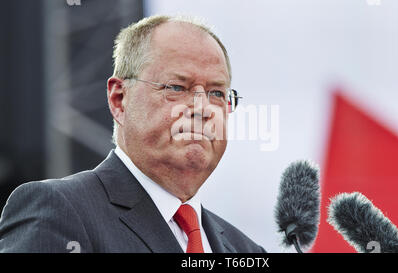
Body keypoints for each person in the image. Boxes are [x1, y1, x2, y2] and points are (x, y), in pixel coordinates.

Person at [0, 15, 266, 253]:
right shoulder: (59, 212)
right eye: (176, 87)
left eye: (217, 93)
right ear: (119, 99)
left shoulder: (247, 250)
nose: (202, 108)